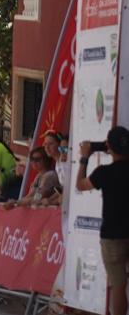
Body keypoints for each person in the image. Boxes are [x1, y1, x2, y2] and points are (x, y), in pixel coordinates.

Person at [75, 126, 129, 315]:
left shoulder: (104, 172)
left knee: (118, 284)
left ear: (109, 147)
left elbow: (80, 185)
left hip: (112, 235)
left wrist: (85, 157)